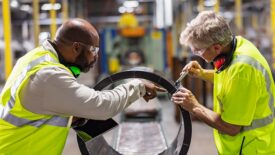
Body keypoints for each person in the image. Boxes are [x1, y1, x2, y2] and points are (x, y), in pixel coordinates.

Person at [0, 19, 165, 154]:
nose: (96, 56)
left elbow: (33, 110)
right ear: (76, 47)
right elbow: (103, 106)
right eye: (93, 50)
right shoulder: (49, 75)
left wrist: (68, 116)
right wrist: (138, 86)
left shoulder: (35, 57)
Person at [172, 11, 275, 154]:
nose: (195, 54)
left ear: (216, 47)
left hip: (250, 148)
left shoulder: (241, 70)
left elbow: (231, 127)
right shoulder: (237, 44)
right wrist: (202, 73)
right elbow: (230, 82)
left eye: (198, 50)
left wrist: (194, 106)